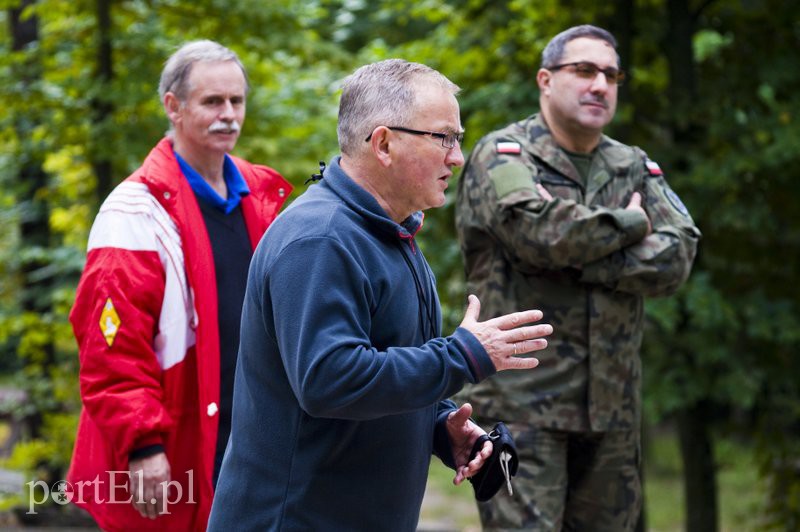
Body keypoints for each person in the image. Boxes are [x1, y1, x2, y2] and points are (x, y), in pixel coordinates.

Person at [207, 59, 553, 531]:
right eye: (443, 138)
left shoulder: (389, 234)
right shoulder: (322, 240)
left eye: (459, 138)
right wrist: (463, 357)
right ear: (384, 143)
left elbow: (383, 366)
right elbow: (330, 380)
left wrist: (438, 424)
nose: (457, 156)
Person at [455, 25, 701, 531]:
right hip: (523, 409)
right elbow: (537, 233)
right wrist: (631, 225)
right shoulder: (502, 155)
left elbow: (679, 255)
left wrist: (582, 253)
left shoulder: (632, 166)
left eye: (611, 75)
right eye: (584, 70)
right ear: (546, 80)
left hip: (612, 412)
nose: (600, 85)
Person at [66, 40, 291, 531]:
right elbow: (110, 346)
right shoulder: (134, 211)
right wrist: (143, 444)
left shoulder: (262, 197)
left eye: (237, 101)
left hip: (246, 435)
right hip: (173, 441)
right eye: (213, 102)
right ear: (173, 105)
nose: (229, 115)